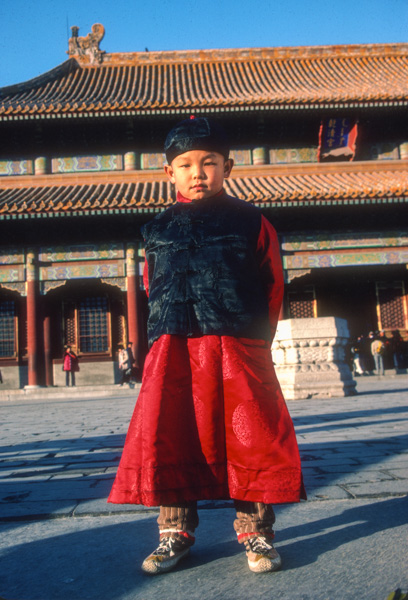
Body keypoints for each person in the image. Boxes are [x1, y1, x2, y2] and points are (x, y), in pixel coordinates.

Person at [108, 116, 306, 575]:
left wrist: (257, 341)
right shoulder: (156, 228)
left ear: (228, 166)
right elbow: (150, 284)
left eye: (209, 163)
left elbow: (273, 284)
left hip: (236, 343)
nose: (198, 173)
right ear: (169, 173)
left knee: (249, 437)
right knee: (173, 432)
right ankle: (174, 530)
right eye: (186, 164)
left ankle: (256, 530)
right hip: (175, 345)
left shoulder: (252, 221)